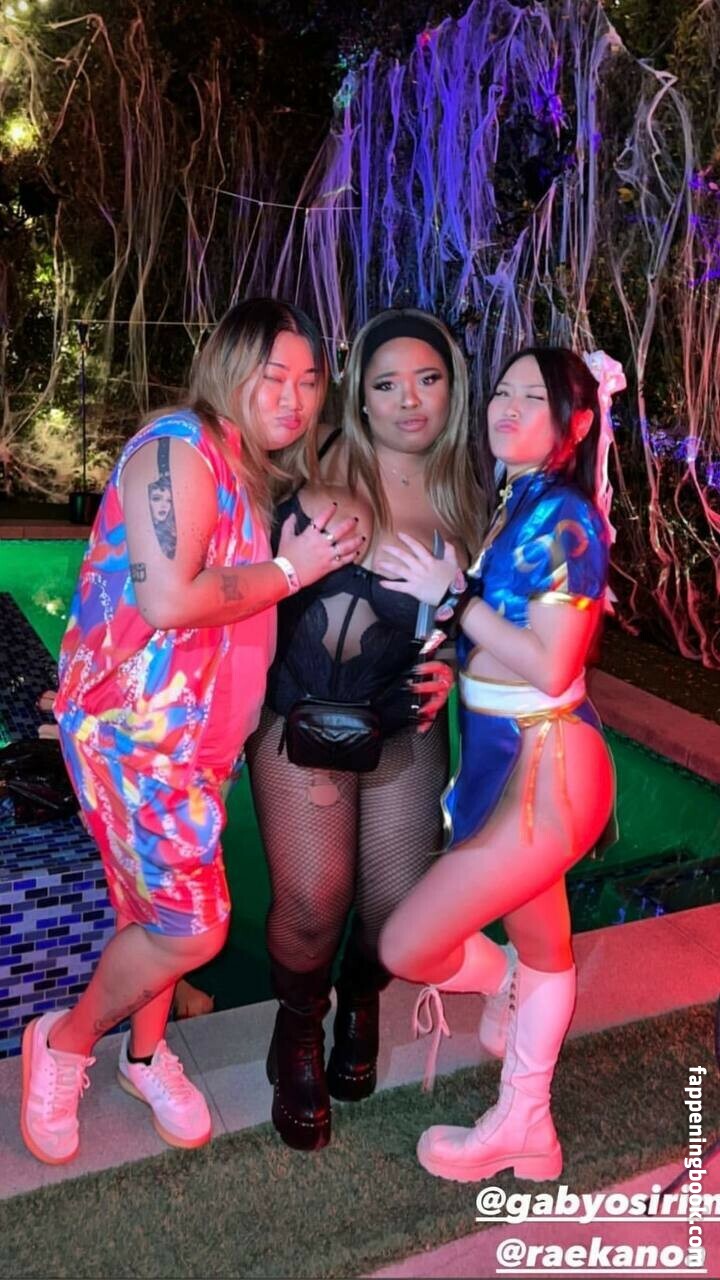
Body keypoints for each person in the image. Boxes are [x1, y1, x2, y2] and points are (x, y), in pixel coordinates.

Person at [19, 298, 364, 1166]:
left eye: (309, 380)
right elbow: (170, 599)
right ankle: (62, 1043)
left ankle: (143, 1056)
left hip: (194, 743)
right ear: (227, 370)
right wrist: (292, 569)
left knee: (150, 908)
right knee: (195, 926)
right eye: (272, 376)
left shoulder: (244, 465)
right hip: (134, 737)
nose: (293, 397)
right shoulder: (178, 450)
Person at [377, 346, 620, 1184]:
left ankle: (504, 997)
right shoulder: (524, 499)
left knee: (408, 945)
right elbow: (505, 642)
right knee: (545, 951)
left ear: (575, 424)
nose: (508, 407)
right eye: (503, 391)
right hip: (508, 755)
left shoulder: (565, 518)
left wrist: (454, 600)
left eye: (534, 397)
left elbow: (551, 667)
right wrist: (460, 659)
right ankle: (528, 1126)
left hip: (544, 765)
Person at [245, 307, 485, 1150]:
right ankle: (298, 1026)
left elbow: (464, 623)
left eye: (429, 379)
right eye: (387, 383)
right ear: (360, 395)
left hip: (401, 723)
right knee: (315, 901)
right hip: (299, 715)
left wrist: (453, 657)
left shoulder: (468, 497)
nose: (409, 400)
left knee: (395, 908)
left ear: (453, 390)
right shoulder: (302, 466)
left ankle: (362, 994)